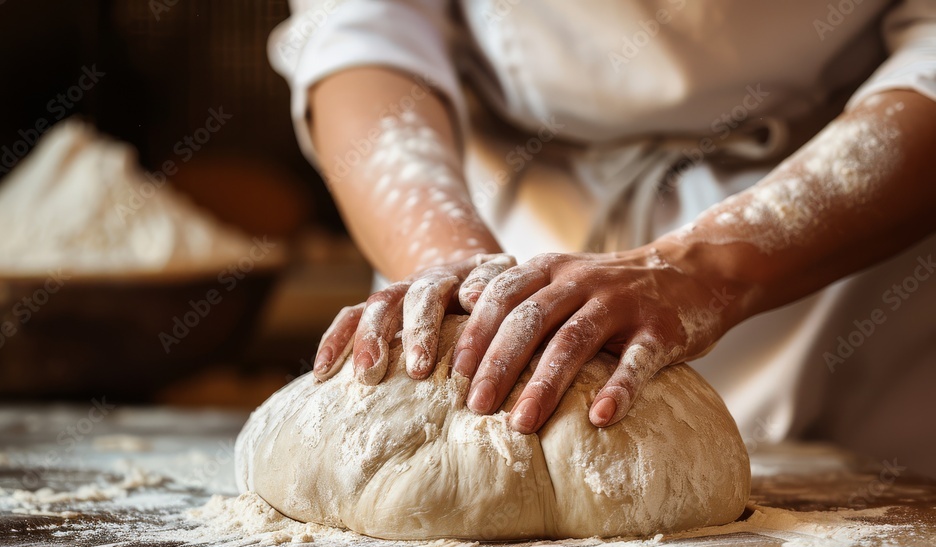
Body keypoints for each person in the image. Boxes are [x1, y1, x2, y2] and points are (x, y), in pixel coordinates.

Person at [269, 0, 936, 474]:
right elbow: (362, 29)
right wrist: (448, 262)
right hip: (495, 209)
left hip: (839, 239)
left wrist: (704, 268)